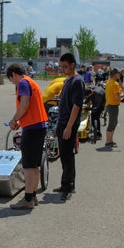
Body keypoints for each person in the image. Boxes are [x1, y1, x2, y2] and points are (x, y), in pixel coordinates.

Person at [6, 63, 48, 209]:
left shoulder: (23, 83)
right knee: (35, 166)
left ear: (14, 75)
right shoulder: (30, 81)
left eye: (12, 80)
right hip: (38, 126)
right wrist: (21, 121)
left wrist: (14, 120)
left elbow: (24, 104)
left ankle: (28, 199)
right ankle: (33, 195)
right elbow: (28, 108)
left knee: (28, 166)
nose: (13, 83)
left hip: (33, 129)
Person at [54, 53, 85, 199]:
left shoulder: (77, 81)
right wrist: (58, 125)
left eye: (65, 67)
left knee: (67, 155)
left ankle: (68, 187)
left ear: (73, 64)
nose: (63, 69)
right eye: (61, 67)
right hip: (62, 122)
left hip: (69, 124)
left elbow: (76, 106)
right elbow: (63, 105)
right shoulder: (68, 81)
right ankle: (66, 183)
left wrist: (69, 127)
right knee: (63, 154)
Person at [104, 68, 124, 148]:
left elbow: (121, 88)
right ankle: (108, 141)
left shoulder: (109, 82)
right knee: (112, 123)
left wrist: (119, 80)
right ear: (115, 74)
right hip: (113, 105)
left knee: (114, 122)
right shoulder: (114, 84)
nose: (119, 74)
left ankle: (110, 140)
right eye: (118, 73)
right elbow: (117, 97)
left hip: (109, 104)